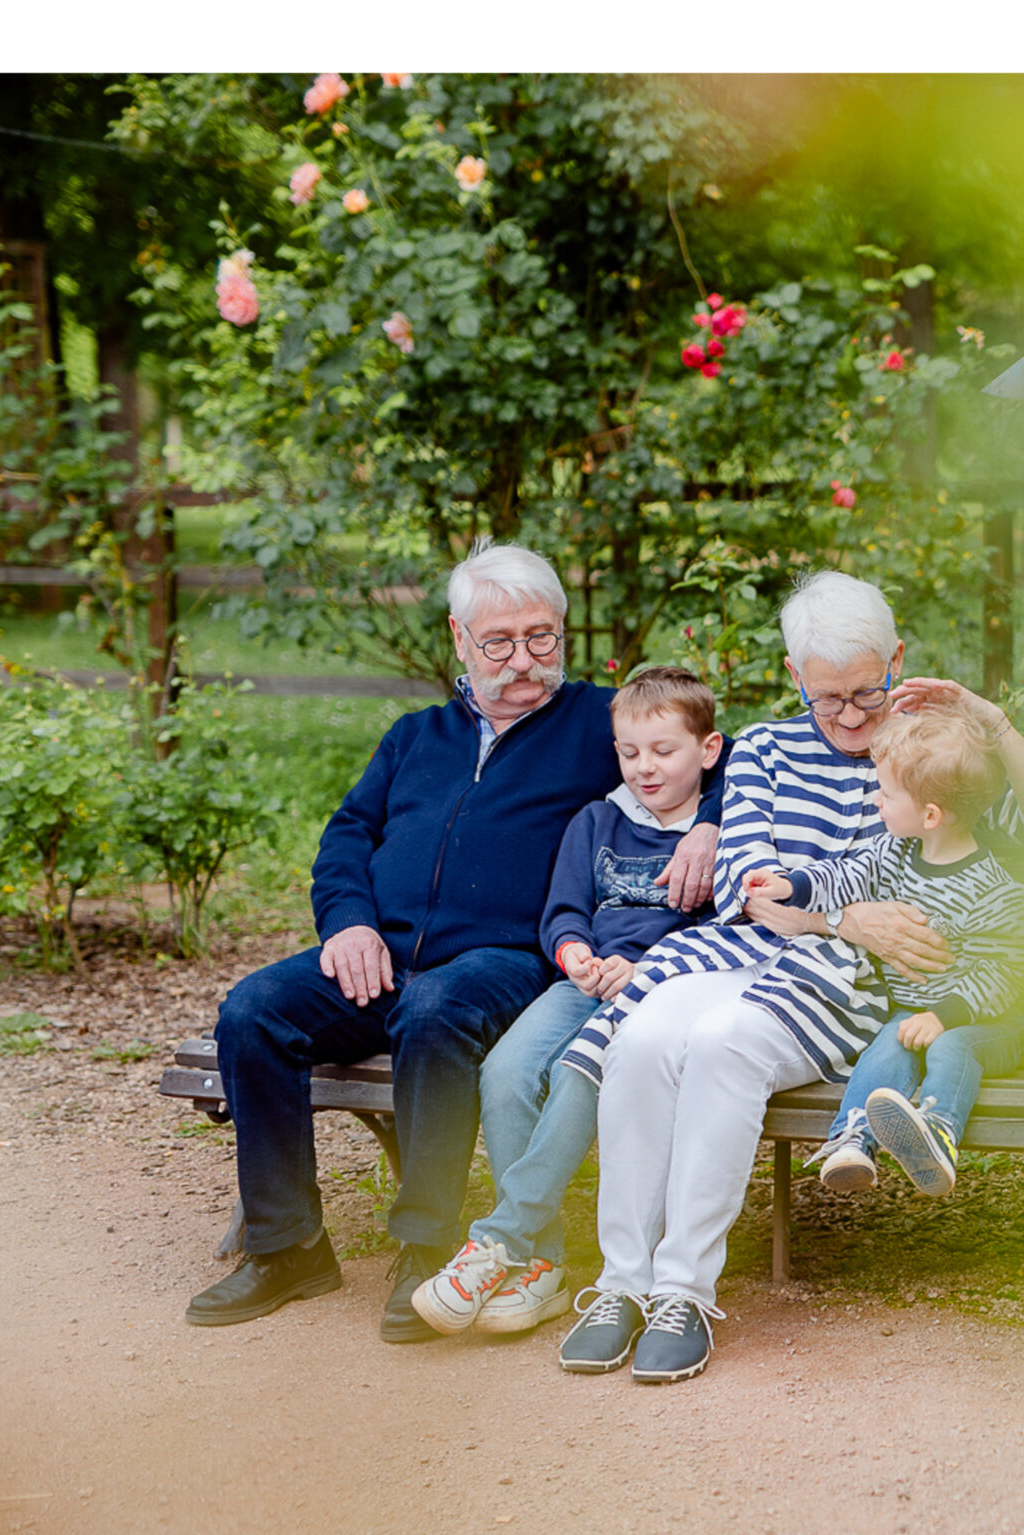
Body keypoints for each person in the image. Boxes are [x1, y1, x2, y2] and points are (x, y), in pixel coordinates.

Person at [550, 570, 1024, 1384]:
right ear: (796, 677)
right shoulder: (764, 748)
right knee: (645, 1032)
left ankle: (684, 1290)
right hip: (748, 954)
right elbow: (748, 888)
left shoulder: (933, 750)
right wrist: (845, 914)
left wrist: (995, 725)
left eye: (869, 690)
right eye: (829, 698)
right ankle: (621, 1283)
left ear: (897, 659)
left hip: (847, 988)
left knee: (725, 1045)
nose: (854, 717)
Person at [182, 544, 721, 1338]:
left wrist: (707, 828)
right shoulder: (416, 735)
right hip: (383, 950)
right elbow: (346, 836)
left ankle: (427, 1248)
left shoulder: (594, 724)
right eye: (499, 641)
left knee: (435, 1012)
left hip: (507, 957)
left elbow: (720, 756)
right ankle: (286, 1246)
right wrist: (350, 922)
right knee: (254, 1010)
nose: (524, 659)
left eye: (542, 637)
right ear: (459, 639)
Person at [408, 666, 724, 1337]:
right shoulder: (597, 819)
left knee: (579, 1079)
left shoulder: (719, 833)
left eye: (663, 751)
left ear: (708, 749)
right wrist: (573, 950)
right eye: (630, 751)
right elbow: (563, 909)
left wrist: (640, 966)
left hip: (660, 994)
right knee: (507, 1070)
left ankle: (501, 1240)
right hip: (581, 982)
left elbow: (720, 931)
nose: (645, 768)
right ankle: (543, 1265)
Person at [745, 704, 1024, 1198]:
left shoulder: (994, 892)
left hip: (987, 1023)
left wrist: (945, 1015)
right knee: (890, 1043)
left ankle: (938, 1132)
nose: (876, 800)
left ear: (931, 814)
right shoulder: (893, 854)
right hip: (912, 1011)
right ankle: (853, 1139)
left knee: (949, 1045)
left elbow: (1002, 973)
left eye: (887, 792)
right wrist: (791, 884)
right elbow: (843, 875)